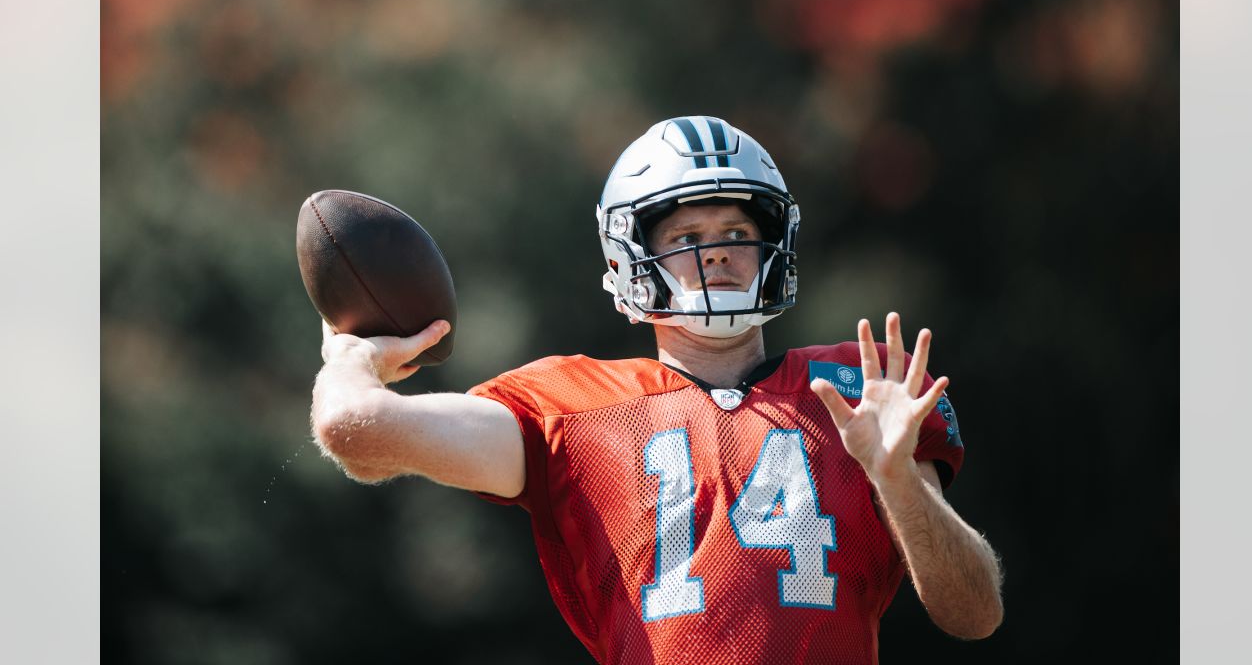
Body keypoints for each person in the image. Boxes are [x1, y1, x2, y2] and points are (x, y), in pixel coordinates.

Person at [310, 116, 1003, 664]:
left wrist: (899, 482)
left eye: (738, 230)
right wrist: (348, 357)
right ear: (631, 258)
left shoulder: (855, 389)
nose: (719, 252)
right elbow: (357, 431)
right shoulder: (572, 408)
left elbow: (975, 615)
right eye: (687, 236)